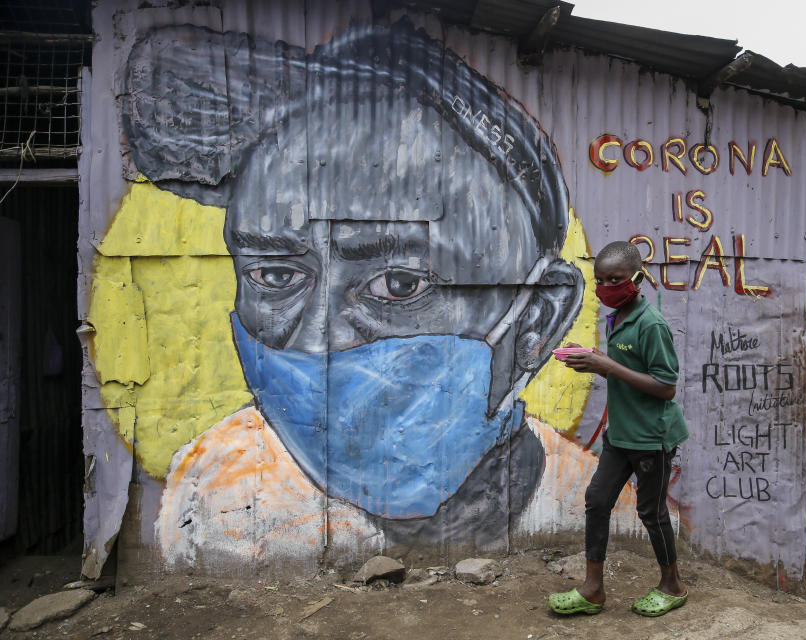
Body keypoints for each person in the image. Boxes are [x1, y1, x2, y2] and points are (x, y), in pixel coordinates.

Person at [121, 20, 642, 567]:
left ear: (535, 322)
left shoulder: (605, 512)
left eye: (399, 285)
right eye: (275, 277)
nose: (319, 340)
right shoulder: (210, 498)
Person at [548, 240, 689, 617]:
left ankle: (672, 585)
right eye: (602, 279)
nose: (608, 285)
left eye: (616, 278)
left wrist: (605, 366)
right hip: (621, 435)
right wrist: (594, 359)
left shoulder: (651, 324)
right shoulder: (618, 318)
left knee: (651, 512)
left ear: (638, 278)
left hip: (652, 438)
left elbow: (665, 385)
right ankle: (593, 589)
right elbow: (628, 368)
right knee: (597, 500)